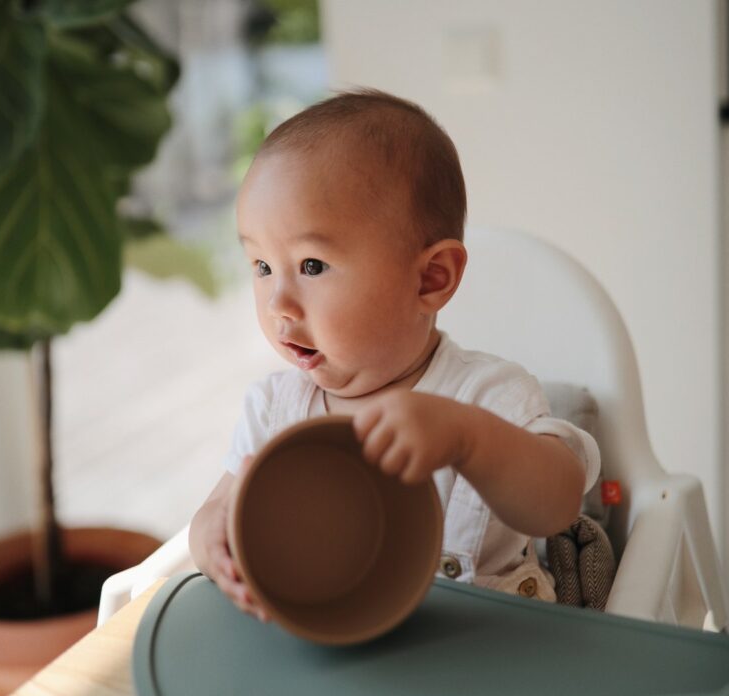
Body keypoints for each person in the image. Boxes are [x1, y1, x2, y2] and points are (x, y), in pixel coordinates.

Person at [189, 88, 599, 621]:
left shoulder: (487, 395)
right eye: (262, 266)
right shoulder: (274, 409)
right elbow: (217, 511)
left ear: (431, 278)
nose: (278, 304)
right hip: (332, 641)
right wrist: (212, 543)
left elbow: (557, 503)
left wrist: (466, 437)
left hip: (483, 651)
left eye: (312, 266)